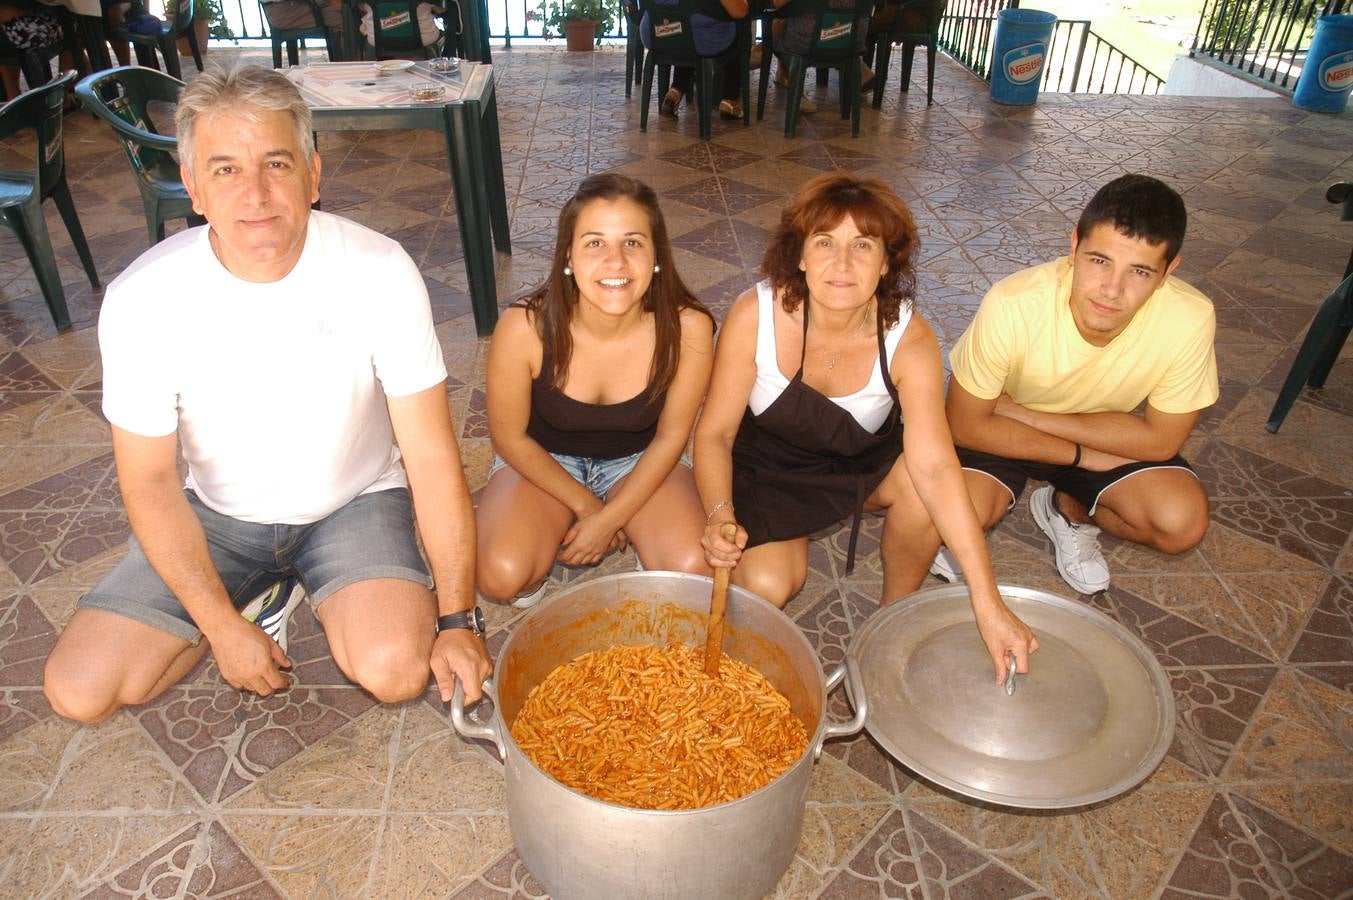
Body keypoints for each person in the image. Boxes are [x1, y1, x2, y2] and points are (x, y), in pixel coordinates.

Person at [42, 64, 492, 724]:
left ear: (313, 176)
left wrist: (459, 616)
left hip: (355, 500)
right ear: (192, 187)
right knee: (81, 692)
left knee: (394, 670)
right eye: (224, 169)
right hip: (217, 516)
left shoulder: (380, 270)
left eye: (276, 164)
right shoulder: (143, 299)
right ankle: (250, 601)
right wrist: (221, 627)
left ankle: (292, 588)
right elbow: (148, 484)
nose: (255, 192)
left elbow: (429, 457)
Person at [694, 172, 1036, 682]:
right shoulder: (755, 314)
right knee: (766, 583)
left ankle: (891, 619)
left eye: (863, 245)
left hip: (860, 471)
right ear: (800, 256)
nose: (842, 263)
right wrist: (721, 515)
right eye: (825, 242)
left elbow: (938, 467)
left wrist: (987, 601)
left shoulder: (909, 337)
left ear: (885, 262)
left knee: (926, 492)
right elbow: (715, 434)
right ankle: (783, 543)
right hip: (768, 472)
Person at [932, 173, 1217, 596]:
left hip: (1041, 420)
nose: (1111, 290)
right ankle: (991, 511)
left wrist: (1023, 413)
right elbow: (966, 424)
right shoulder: (1014, 302)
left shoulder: (1191, 316)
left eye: (1139, 271)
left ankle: (1068, 508)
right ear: (1074, 246)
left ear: (1167, 271)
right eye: (1099, 261)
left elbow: (1161, 441)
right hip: (1006, 436)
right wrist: (1081, 456)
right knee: (945, 515)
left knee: (1179, 524)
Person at [476, 174, 715, 608]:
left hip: (642, 459)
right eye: (594, 243)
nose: (616, 262)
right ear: (568, 253)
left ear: (656, 253)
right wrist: (591, 510)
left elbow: (671, 437)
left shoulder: (689, 328)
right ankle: (541, 551)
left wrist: (613, 519)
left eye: (633, 242)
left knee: (694, 569)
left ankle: (653, 547)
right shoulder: (524, 327)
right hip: (545, 458)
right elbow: (509, 437)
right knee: (500, 575)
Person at [641, 0, 747, 120]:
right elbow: (740, 11)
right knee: (739, 30)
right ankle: (730, 100)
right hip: (695, 36)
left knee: (687, 29)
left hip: (655, 33)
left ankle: (676, 90)